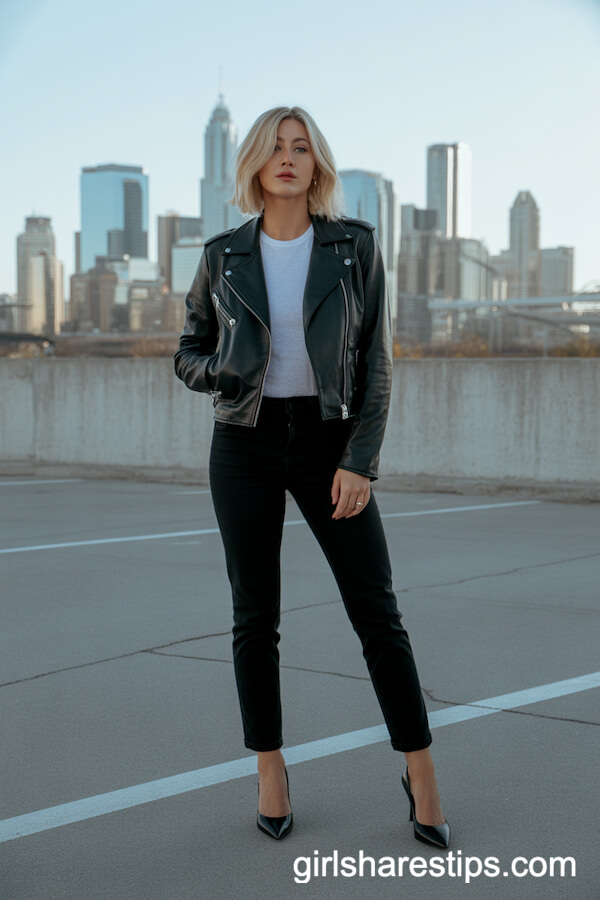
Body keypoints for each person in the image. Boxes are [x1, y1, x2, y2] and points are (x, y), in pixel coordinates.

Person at [174, 106, 449, 848]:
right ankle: (270, 769)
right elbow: (188, 350)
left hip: (330, 442)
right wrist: (220, 374)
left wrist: (360, 460)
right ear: (256, 164)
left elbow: (376, 362)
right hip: (244, 444)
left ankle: (420, 771)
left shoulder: (353, 245)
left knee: (377, 615)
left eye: (301, 147)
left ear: (316, 163)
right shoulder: (223, 254)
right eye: (276, 147)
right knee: (253, 618)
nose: (288, 158)